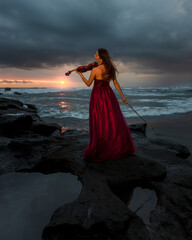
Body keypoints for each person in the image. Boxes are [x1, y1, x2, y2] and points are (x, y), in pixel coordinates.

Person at [75, 48, 139, 162]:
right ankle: (116, 144)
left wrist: (80, 74)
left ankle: (103, 144)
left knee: (99, 119)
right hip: (109, 95)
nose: (94, 55)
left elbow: (88, 84)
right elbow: (115, 83)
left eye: (96, 54)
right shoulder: (111, 68)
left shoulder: (95, 69)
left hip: (98, 96)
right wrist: (123, 96)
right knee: (112, 119)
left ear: (100, 57)